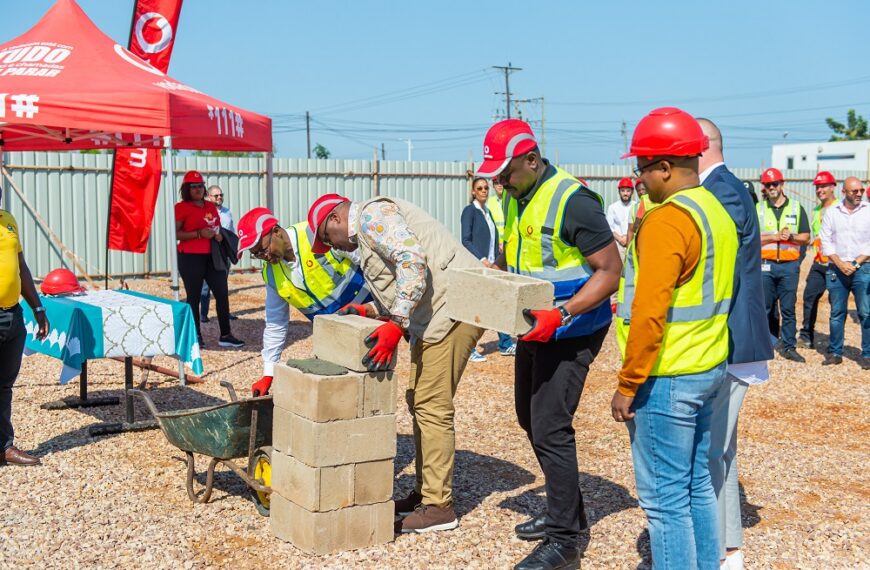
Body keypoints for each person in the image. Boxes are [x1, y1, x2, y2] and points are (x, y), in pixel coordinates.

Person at [478, 120, 621, 570]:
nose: (498, 181)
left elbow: (610, 271)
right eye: (495, 175)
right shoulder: (516, 195)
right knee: (528, 416)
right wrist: (493, 273)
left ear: (532, 160)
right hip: (535, 327)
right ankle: (567, 513)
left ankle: (565, 540)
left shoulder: (573, 201)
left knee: (550, 426)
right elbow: (520, 253)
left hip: (573, 329)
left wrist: (561, 314)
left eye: (506, 172)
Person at [308, 193, 484, 534]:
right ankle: (425, 492)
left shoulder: (373, 217)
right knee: (418, 400)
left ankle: (438, 507)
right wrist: (372, 311)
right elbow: (400, 282)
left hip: (455, 308)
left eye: (328, 239)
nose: (333, 247)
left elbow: (412, 262)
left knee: (432, 405)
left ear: (334, 220)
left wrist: (397, 322)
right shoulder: (370, 230)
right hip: (436, 313)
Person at [612, 107, 738, 570]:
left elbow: (650, 313)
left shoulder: (667, 219)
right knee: (698, 485)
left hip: (667, 375)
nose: (639, 178)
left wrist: (628, 384)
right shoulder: (715, 210)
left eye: (642, 167)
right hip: (708, 367)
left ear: (665, 167)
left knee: (665, 502)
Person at [697, 118, 773, 570]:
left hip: (729, 340)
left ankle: (724, 550)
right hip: (731, 340)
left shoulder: (721, 190)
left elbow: (716, 269)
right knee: (720, 448)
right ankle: (727, 546)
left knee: (713, 451)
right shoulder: (728, 185)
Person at [235, 207, 372, 396]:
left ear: (276, 231)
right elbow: (276, 323)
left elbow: (368, 261)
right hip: (336, 335)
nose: (263, 257)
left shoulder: (315, 233)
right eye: (256, 254)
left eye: (263, 249)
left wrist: (386, 305)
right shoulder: (271, 275)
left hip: (373, 315)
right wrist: (269, 372)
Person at [1, 206, 49, 466]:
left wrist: (37, 307)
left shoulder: (8, 220)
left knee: (4, 386)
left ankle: (4, 448)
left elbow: (20, 266)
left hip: (12, 315)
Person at [174, 170, 243, 348]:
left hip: (213, 256)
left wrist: (219, 235)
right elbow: (175, 233)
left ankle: (226, 334)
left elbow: (217, 226)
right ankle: (195, 335)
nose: (197, 189)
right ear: (186, 189)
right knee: (194, 297)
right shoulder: (181, 207)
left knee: (221, 294)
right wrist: (198, 234)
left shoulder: (210, 206)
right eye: (193, 186)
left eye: (200, 186)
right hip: (189, 257)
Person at [756, 167, 810, 362]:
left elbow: (806, 237)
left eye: (774, 183)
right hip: (765, 265)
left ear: (782, 185)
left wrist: (792, 237)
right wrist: (774, 236)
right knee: (765, 307)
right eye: (767, 184)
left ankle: (789, 347)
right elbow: (752, 238)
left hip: (788, 267)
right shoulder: (759, 209)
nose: (771, 187)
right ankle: (766, 345)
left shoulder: (796, 207)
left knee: (788, 308)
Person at [461, 177, 516, 361]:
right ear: (473, 192)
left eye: (485, 188)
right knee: (476, 307)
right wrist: (482, 259)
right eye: (480, 188)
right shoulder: (470, 212)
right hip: (479, 266)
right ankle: (467, 348)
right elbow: (466, 240)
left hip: (493, 266)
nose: (484, 190)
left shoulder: (488, 212)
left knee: (499, 302)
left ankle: (505, 343)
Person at [819, 176, 870, 369]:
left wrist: (856, 263)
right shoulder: (832, 212)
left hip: (863, 267)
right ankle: (835, 352)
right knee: (837, 313)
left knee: (865, 312)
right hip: (836, 269)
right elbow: (825, 241)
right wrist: (840, 264)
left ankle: (867, 354)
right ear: (844, 192)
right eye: (854, 191)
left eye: (861, 191)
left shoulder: (868, 211)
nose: (858, 194)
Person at [798, 172, 838, 349]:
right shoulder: (816, 211)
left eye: (823, 186)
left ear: (832, 187)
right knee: (809, 297)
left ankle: (836, 342)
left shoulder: (839, 208)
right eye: (817, 187)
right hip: (819, 263)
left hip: (836, 264)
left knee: (836, 303)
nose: (820, 190)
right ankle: (807, 336)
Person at [200, 185, 237, 323]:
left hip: (224, 253)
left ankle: (224, 314)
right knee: (205, 287)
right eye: (216, 195)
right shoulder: (203, 212)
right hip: (208, 252)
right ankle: (203, 315)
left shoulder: (227, 212)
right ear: (209, 197)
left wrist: (235, 249)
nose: (220, 197)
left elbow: (232, 231)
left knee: (222, 285)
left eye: (221, 195)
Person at [606, 177, 635, 254]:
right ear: (619, 192)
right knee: (619, 266)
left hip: (633, 243)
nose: (625, 193)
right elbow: (609, 227)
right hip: (618, 244)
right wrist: (620, 239)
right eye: (622, 191)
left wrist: (629, 239)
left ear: (632, 192)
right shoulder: (612, 207)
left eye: (628, 191)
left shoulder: (636, 206)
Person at [625, 177, 653, 245]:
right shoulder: (634, 208)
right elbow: (631, 230)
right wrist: (628, 251)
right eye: (638, 190)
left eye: (643, 189)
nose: (641, 192)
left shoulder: (657, 202)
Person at [487, 180, 507, 250]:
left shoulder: (512, 201)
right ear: (493, 186)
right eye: (496, 183)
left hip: (509, 243)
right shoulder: (489, 202)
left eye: (501, 182)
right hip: (495, 245)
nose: (499, 185)